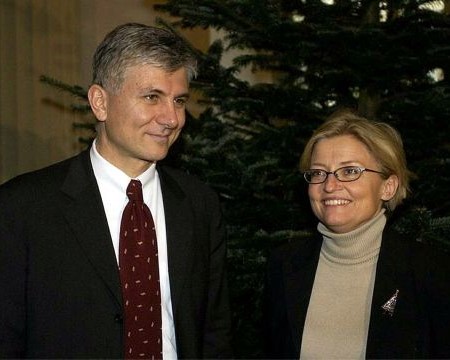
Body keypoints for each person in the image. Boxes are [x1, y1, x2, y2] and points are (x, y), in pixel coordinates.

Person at [0, 23, 232, 359]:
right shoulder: (23, 208)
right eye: (152, 97)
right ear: (100, 102)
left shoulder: (199, 205)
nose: (171, 118)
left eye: (179, 100)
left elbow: (214, 334)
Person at [265, 109, 450, 359]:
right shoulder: (284, 265)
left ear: (388, 186)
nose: (329, 186)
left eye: (350, 171)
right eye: (319, 172)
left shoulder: (430, 271)